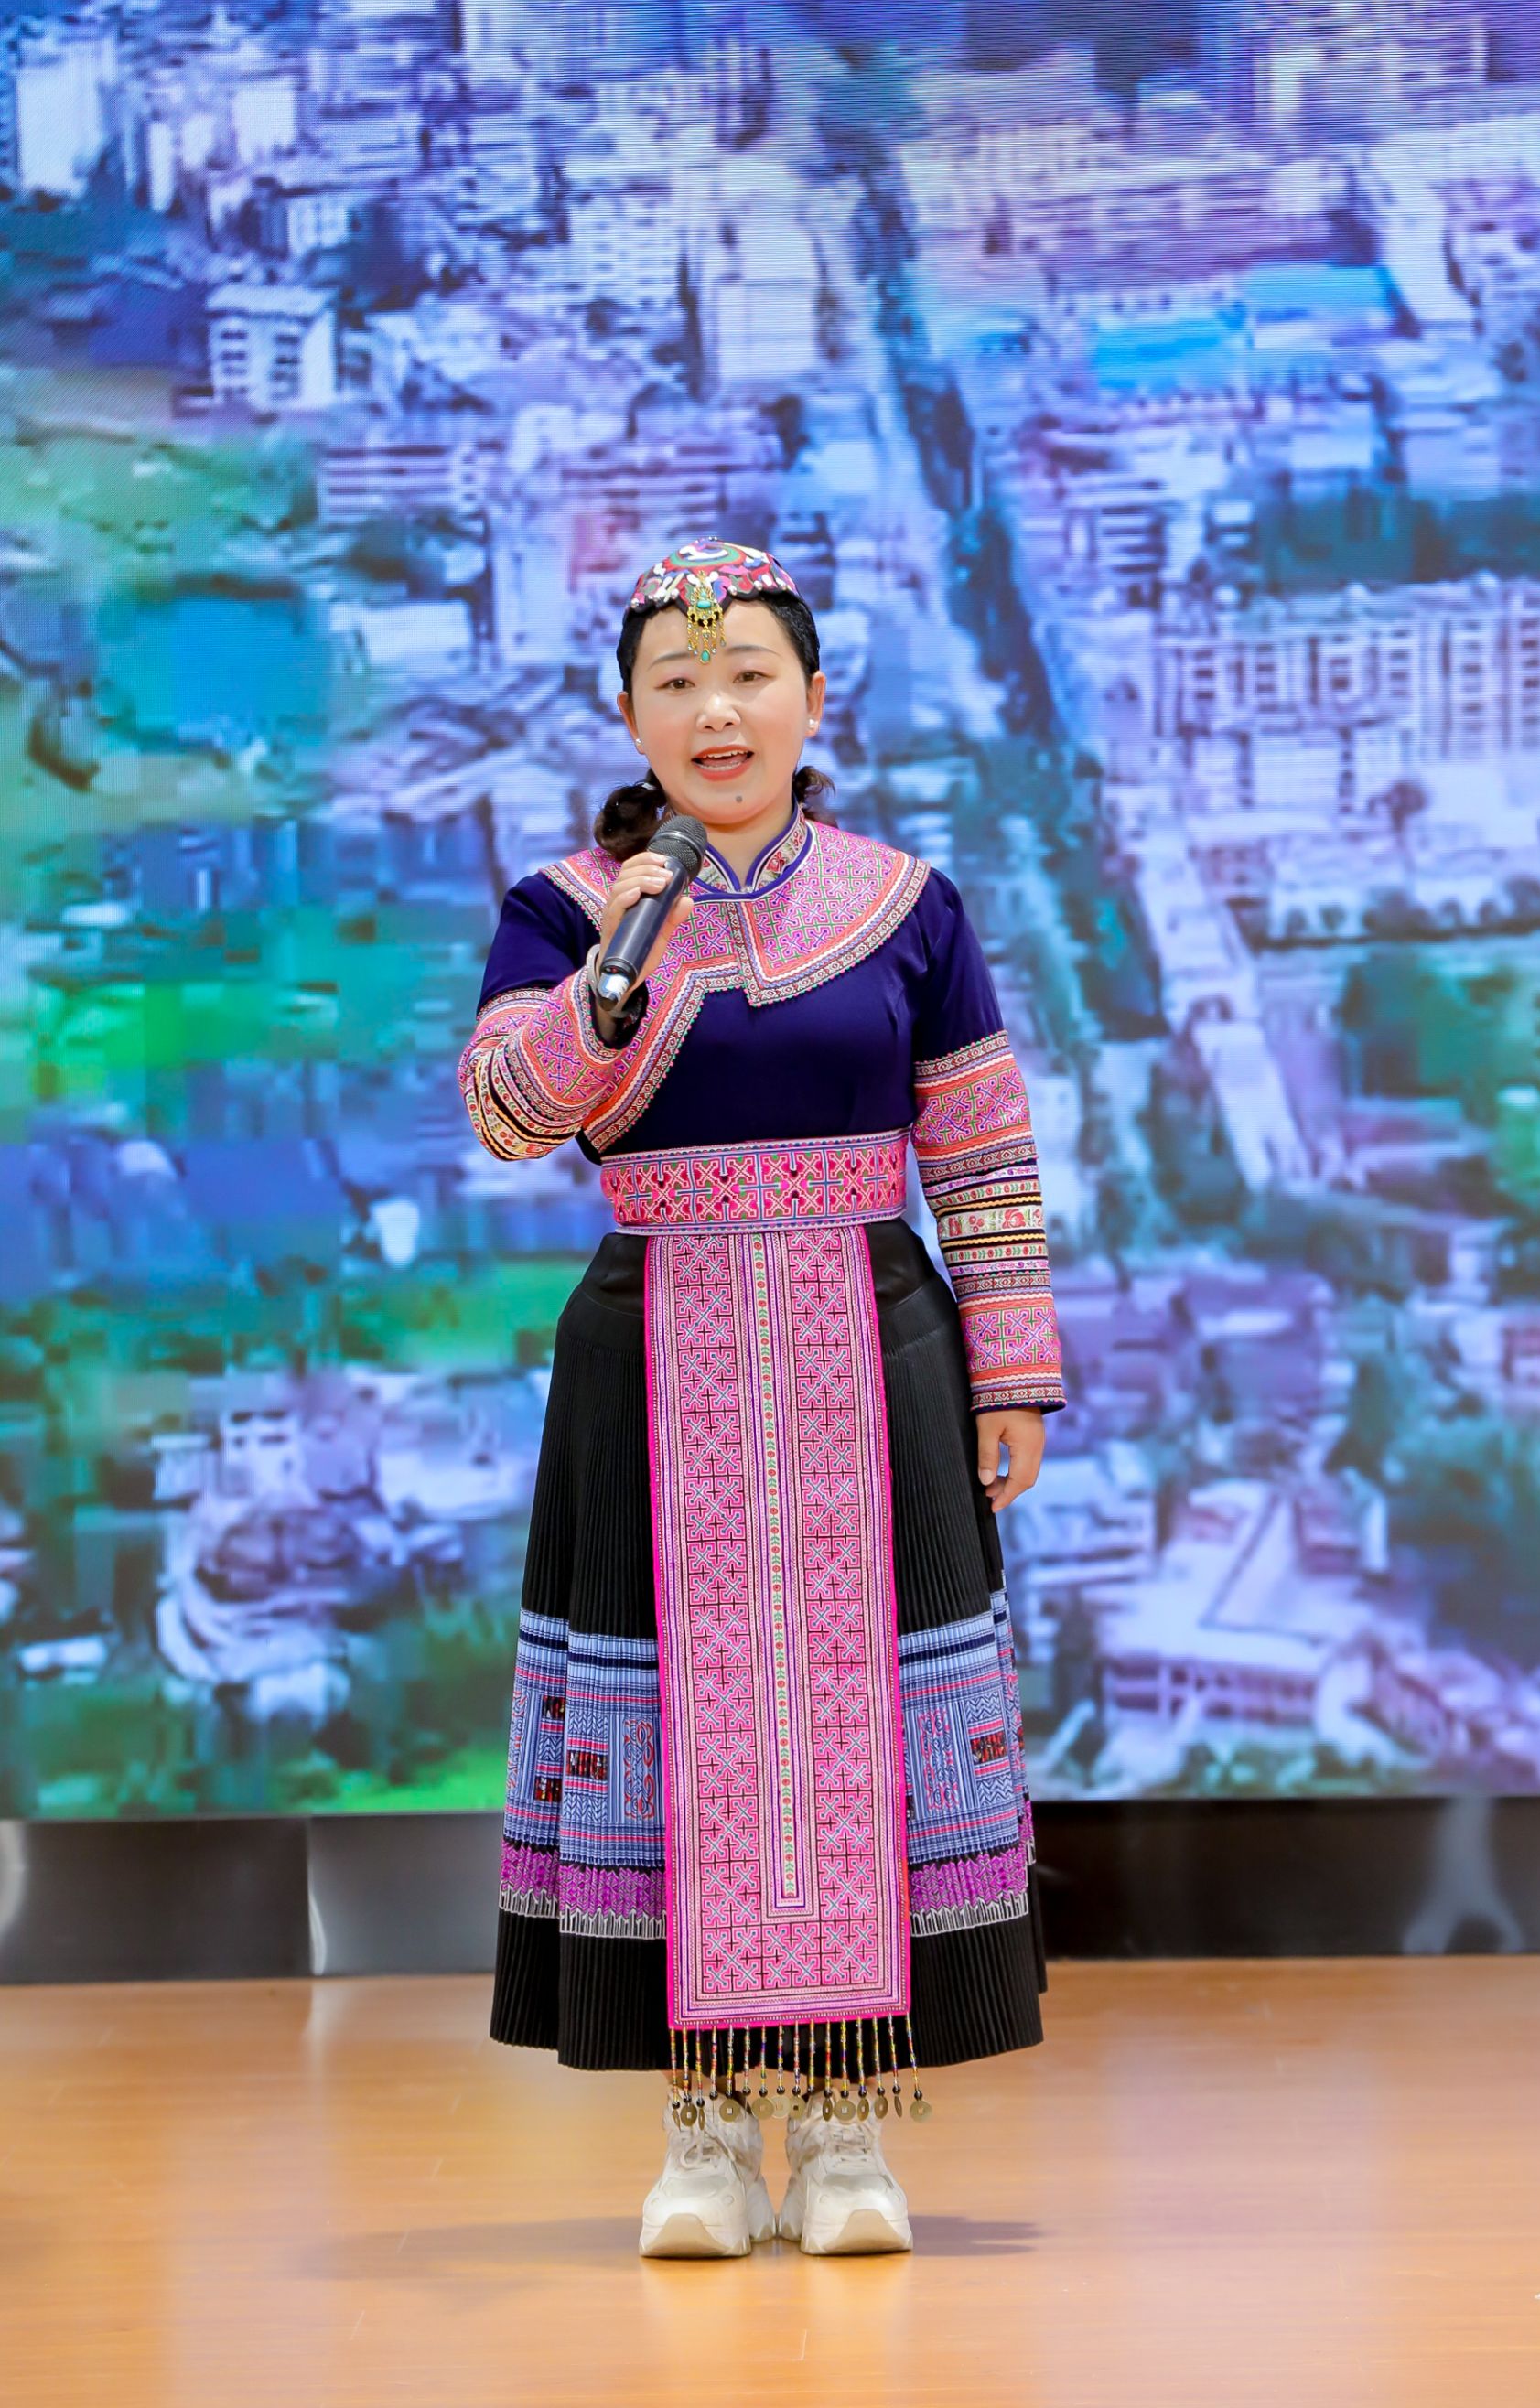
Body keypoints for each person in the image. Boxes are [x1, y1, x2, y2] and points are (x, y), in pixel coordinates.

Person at [459, 537, 1064, 2258]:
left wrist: (1013, 1366)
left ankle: (855, 2130)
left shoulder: (906, 903)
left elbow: (980, 1147)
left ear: (812, 701)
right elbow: (507, 1116)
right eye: (678, 683)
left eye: (748, 679)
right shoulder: (568, 909)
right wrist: (612, 980)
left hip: (876, 1338)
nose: (716, 711)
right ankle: (708, 2138)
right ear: (631, 717)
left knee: (861, 1724)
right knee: (678, 1729)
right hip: (652, 1341)